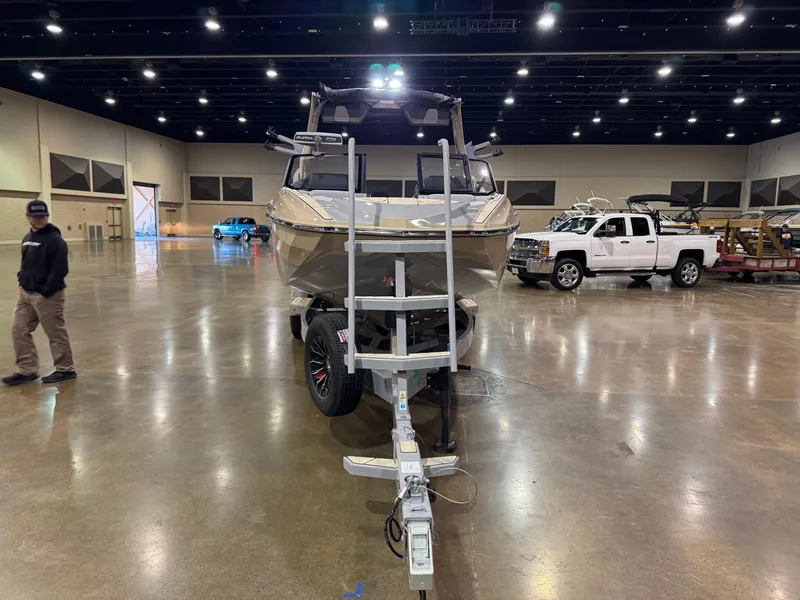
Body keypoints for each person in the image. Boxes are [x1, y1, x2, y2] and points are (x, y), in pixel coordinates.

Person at [2, 200, 77, 386]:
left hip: (47, 296)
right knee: (19, 330)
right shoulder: (27, 238)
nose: (40, 219)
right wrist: (22, 280)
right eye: (36, 217)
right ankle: (26, 370)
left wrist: (46, 291)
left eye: (43, 216)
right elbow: (25, 263)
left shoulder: (55, 240)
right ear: (28, 217)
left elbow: (60, 269)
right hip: (25, 295)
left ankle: (66, 369)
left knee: (55, 333)